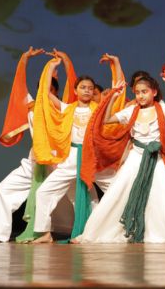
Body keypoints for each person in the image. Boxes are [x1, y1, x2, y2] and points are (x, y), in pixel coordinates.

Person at [73, 71, 165, 243]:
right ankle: (96, 231)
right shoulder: (131, 111)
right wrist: (113, 95)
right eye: (137, 92)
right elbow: (107, 119)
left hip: (155, 159)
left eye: (145, 92)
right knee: (117, 193)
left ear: (154, 92)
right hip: (135, 157)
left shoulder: (163, 109)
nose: (141, 96)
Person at [0, 47, 68, 244]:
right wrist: (24, 59)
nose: (44, 92)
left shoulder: (63, 108)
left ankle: (87, 230)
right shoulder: (31, 105)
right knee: (4, 189)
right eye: (42, 89)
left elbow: (73, 83)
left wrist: (63, 63)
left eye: (50, 89)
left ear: (55, 92)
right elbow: (19, 85)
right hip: (35, 161)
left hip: (58, 162)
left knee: (76, 196)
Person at [31, 52, 115, 243]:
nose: (86, 91)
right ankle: (44, 233)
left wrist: (114, 64)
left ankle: (110, 229)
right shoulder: (67, 108)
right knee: (44, 192)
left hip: (92, 158)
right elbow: (45, 94)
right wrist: (52, 66)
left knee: (117, 188)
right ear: (75, 90)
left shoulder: (99, 109)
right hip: (71, 157)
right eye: (82, 87)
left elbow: (115, 100)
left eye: (90, 88)